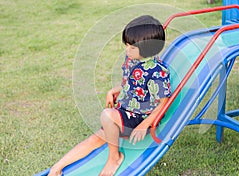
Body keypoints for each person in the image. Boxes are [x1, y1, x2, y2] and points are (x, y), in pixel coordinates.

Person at [48, 15, 171, 176]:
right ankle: (56, 167)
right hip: (126, 111)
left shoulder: (157, 71)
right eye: (126, 45)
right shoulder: (132, 59)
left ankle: (114, 157)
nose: (127, 50)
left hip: (142, 116)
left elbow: (164, 102)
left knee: (107, 115)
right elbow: (133, 83)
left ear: (148, 48)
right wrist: (114, 90)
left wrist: (144, 125)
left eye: (132, 47)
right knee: (96, 139)